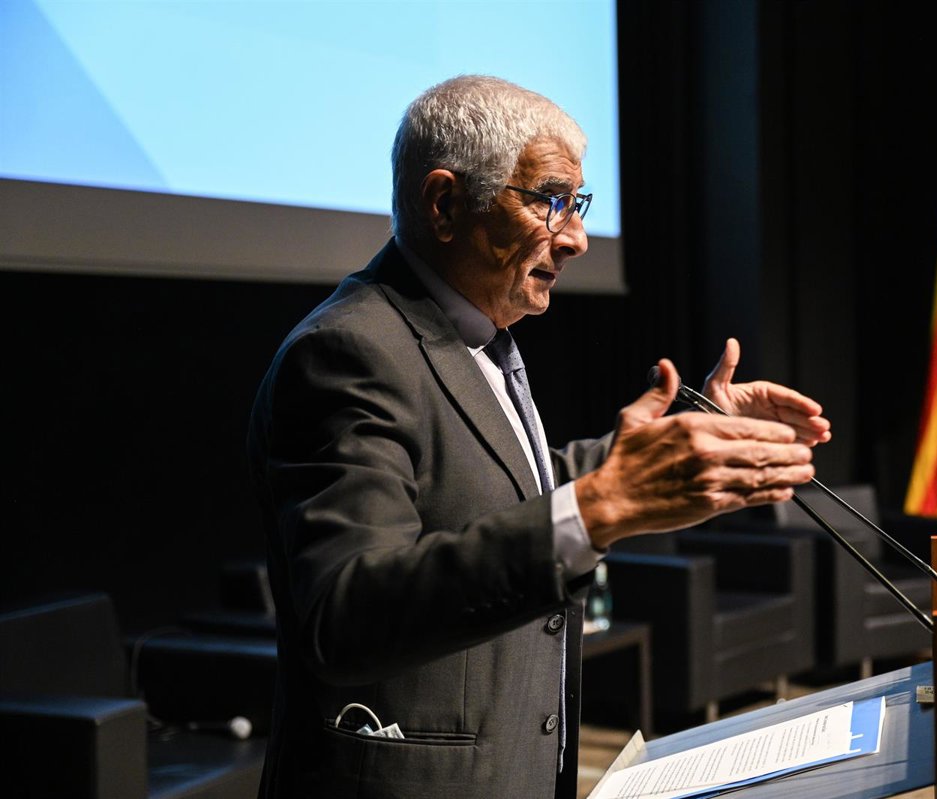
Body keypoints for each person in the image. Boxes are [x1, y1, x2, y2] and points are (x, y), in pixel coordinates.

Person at [247, 75, 831, 799]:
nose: (577, 238)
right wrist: (596, 510)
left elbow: (504, 488)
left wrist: (685, 439)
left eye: (577, 205)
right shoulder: (348, 351)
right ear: (444, 204)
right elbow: (346, 613)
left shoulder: (480, 337)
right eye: (549, 200)